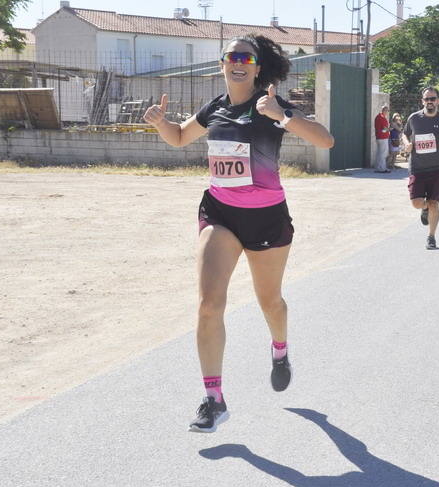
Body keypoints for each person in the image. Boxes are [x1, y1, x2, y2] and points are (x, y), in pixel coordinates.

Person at [143, 35, 334, 433]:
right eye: (232, 56)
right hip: (220, 213)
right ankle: (214, 400)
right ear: (222, 64)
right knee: (209, 304)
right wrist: (163, 125)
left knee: (270, 302)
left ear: (258, 66)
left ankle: (280, 350)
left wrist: (282, 115)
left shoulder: (271, 106)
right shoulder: (214, 106)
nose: (239, 62)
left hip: (266, 219)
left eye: (246, 57)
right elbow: (180, 137)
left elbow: (326, 140)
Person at [403, 87, 439, 250]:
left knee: (434, 203)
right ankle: (424, 208)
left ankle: (431, 237)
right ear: (422, 101)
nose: (429, 102)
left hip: (436, 168)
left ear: (438, 100)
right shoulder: (414, 118)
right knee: (416, 203)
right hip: (417, 168)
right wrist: (407, 144)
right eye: (426, 99)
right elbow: (405, 134)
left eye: (432, 99)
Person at [374, 105, 390, 173]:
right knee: (382, 153)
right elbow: (384, 128)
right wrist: (389, 129)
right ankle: (382, 168)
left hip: (381, 137)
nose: (387, 112)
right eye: (387, 111)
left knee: (380, 153)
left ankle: (379, 167)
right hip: (382, 137)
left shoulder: (380, 117)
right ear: (384, 110)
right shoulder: (381, 117)